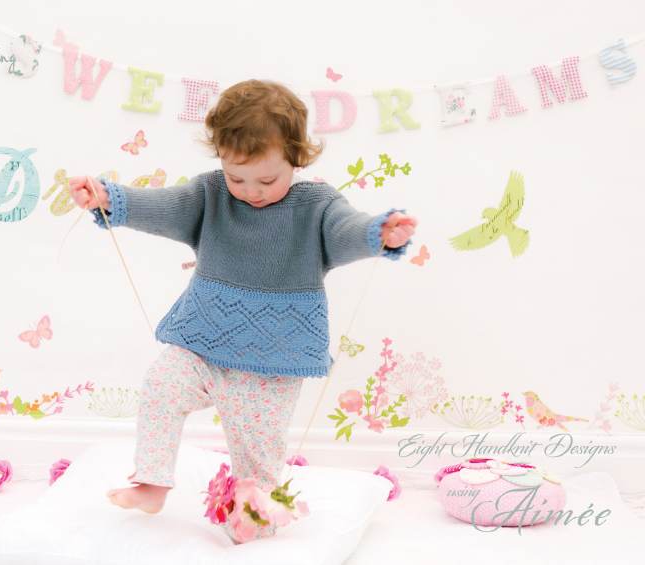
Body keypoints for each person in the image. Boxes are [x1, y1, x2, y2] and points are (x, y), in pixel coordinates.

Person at [68, 79, 416, 541]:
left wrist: (379, 233)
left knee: (259, 457)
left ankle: (253, 520)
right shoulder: (210, 195)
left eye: (267, 180)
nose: (251, 191)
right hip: (204, 342)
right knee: (161, 386)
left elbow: (345, 228)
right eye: (237, 178)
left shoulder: (316, 205)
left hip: (272, 362)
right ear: (221, 160)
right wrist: (112, 199)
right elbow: (164, 205)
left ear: (296, 157)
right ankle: (152, 481)